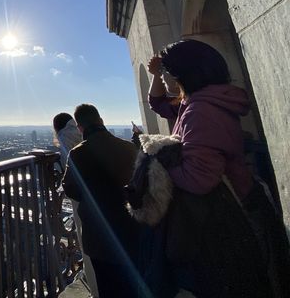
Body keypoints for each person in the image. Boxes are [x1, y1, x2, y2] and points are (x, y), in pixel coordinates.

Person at [146, 39, 289, 297]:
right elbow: (158, 104)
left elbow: (198, 179)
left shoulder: (199, 110)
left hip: (231, 220)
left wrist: (160, 156)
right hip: (239, 206)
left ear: (183, 73)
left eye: (167, 71)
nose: (164, 76)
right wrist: (156, 74)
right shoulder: (199, 102)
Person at [62, 104, 144, 298]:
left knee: (109, 288)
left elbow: (71, 189)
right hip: (132, 229)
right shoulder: (128, 147)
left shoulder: (78, 154)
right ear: (101, 121)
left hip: (100, 236)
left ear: (80, 128)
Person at [53, 113, 98, 297]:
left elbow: (68, 169)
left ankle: (95, 283)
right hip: (99, 191)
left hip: (82, 195)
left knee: (86, 238)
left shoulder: (64, 138)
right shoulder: (82, 132)